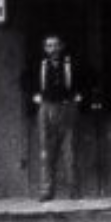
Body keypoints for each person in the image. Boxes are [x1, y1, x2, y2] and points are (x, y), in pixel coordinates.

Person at [33, 34, 81, 201]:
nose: (52, 49)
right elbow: (26, 81)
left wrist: (78, 95)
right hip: (46, 108)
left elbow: (88, 78)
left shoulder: (70, 64)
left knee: (70, 151)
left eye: (55, 45)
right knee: (46, 151)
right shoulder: (40, 65)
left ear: (61, 46)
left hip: (67, 107)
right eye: (49, 46)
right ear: (45, 49)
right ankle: (47, 191)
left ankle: (74, 191)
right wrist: (34, 95)